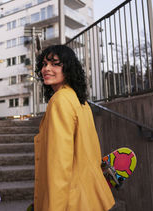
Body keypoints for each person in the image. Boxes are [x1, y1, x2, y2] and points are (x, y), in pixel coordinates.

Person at [33, 45, 115, 211]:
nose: (46, 69)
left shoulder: (60, 101)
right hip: (93, 198)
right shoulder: (79, 100)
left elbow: (59, 164)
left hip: (72, 202)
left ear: (68, 69)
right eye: (44, 64)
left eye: (55, 64)